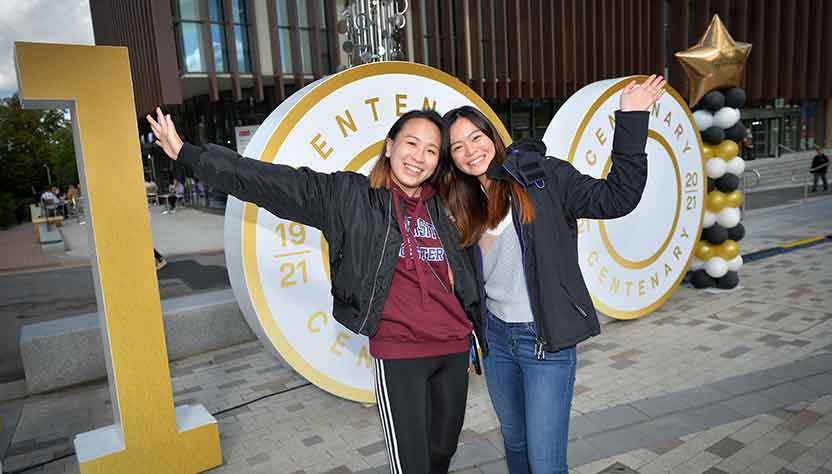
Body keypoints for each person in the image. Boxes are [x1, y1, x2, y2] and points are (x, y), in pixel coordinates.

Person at [147, 107, 485, 474]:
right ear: (389, 147)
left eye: (432, 150)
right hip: (400, 352)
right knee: (412, 466)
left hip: (452, 349)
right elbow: (267, 181)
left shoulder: (447, 204)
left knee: (442, 451)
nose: (419, 157)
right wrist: (188, 154)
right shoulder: (350, 197)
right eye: (412, 143)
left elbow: (491, 188)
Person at [440, 75, 666, 473]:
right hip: (497, 343)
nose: (469, 151)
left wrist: (632, 119)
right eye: (457, 146)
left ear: (493, 135)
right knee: (516, 446)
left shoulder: (542, 176)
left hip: (545, 342)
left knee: (545, 461)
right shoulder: (459, 205)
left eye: (476, 137)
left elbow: (618, 198)